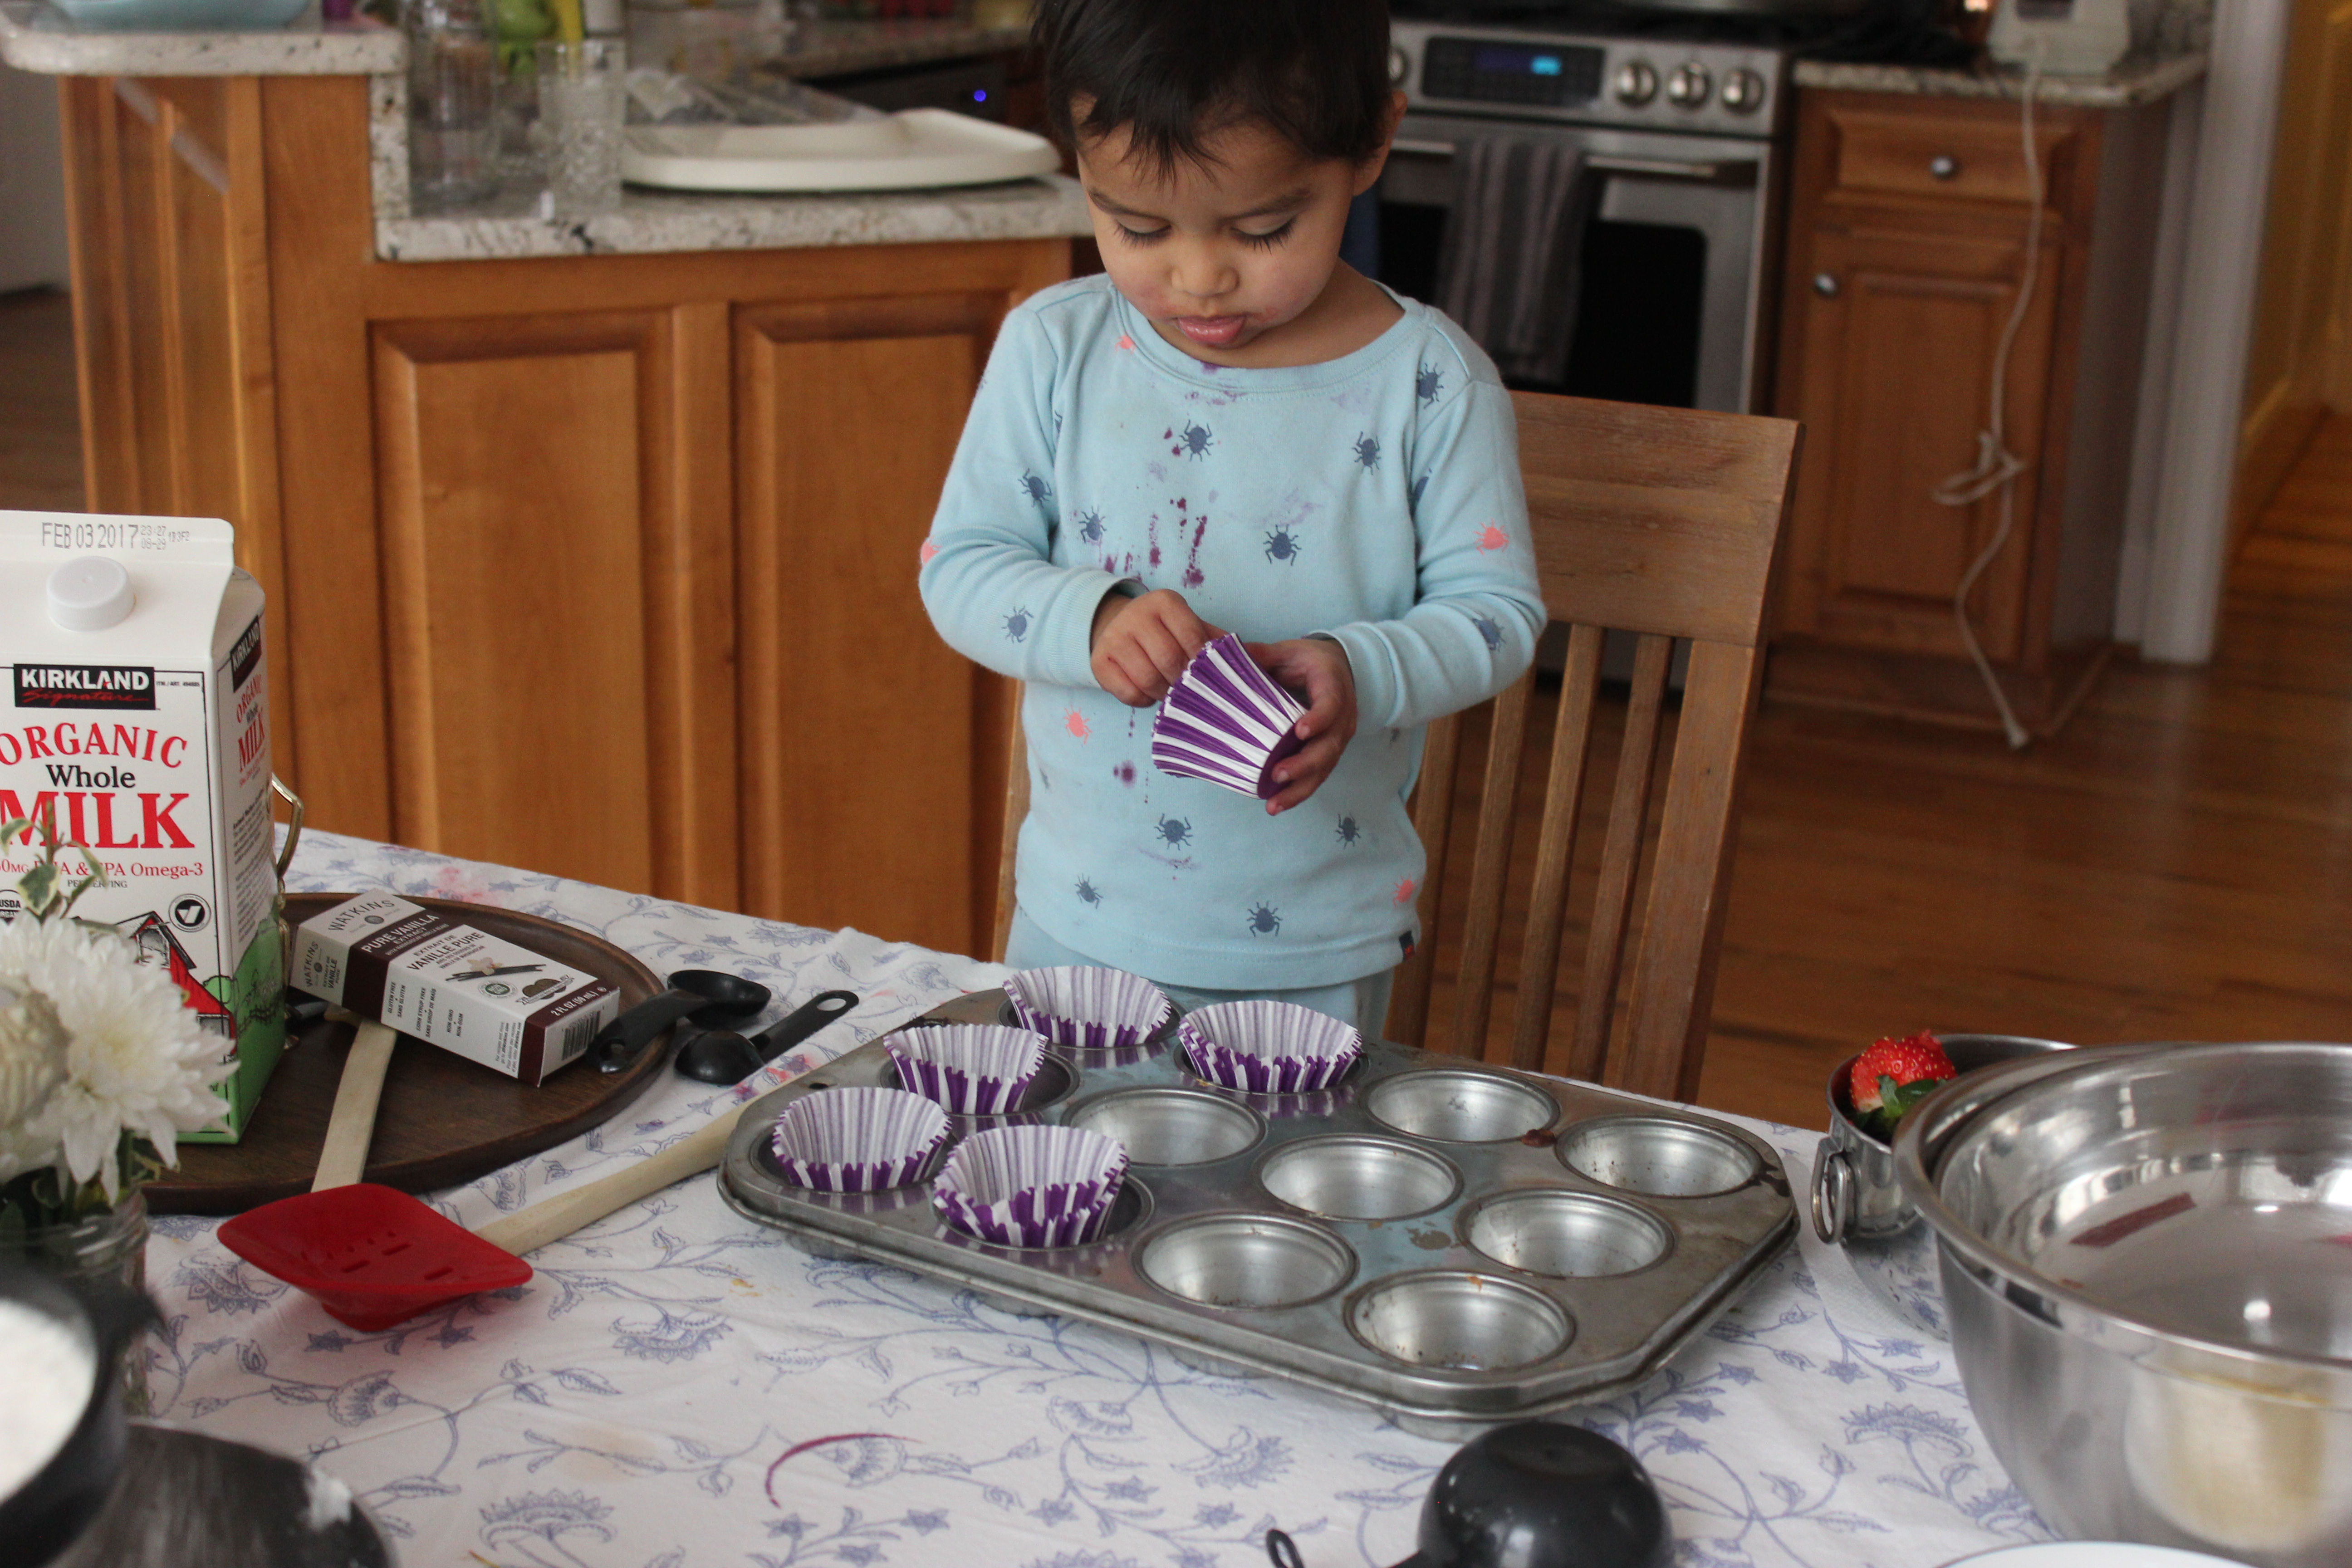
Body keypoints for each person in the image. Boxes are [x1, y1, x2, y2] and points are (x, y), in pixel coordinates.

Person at [918, 0, 1544, 1033]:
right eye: (1138, 227)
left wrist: (1362, 668)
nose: (1200, 278)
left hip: (1316, 945)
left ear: (1372, 143)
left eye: (1263, 230)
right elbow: (962, 567)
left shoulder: (1430, 383)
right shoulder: (1055, 349)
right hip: (1079, 924)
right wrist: (1092, 617)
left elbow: (1497, 613)